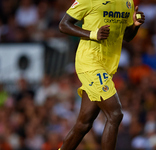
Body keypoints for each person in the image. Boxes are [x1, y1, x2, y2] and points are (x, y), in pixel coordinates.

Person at [58, 0, 145, 149]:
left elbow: (127, 36)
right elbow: (63, 25)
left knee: (84, 123)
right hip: (90, 62)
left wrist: (135, 25)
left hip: (107, 66)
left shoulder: (127, 3)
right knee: (115, 114)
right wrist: (92, 34)